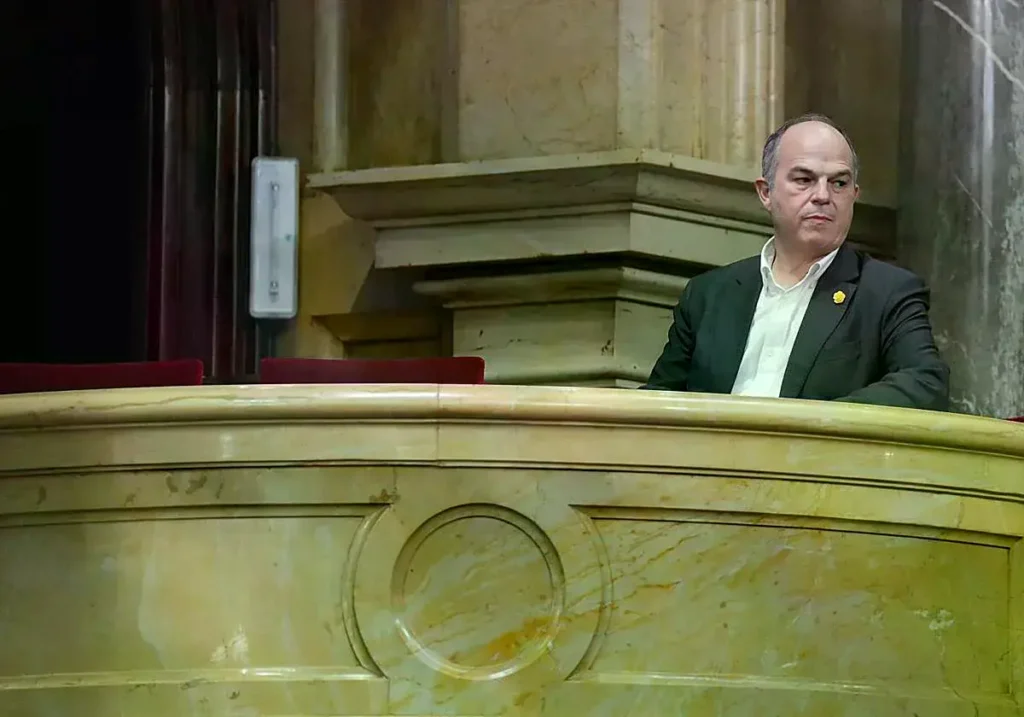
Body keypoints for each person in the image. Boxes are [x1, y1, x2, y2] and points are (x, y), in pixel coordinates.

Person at [644, 114, 950, 411]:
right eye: (804, 179)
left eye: (839, 183)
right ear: (766, 192)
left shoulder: (887, 292)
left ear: (854, 195)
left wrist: (815, 424)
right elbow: (657, 401)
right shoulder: (708, 294)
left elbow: (924, 383)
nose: (822, 195)